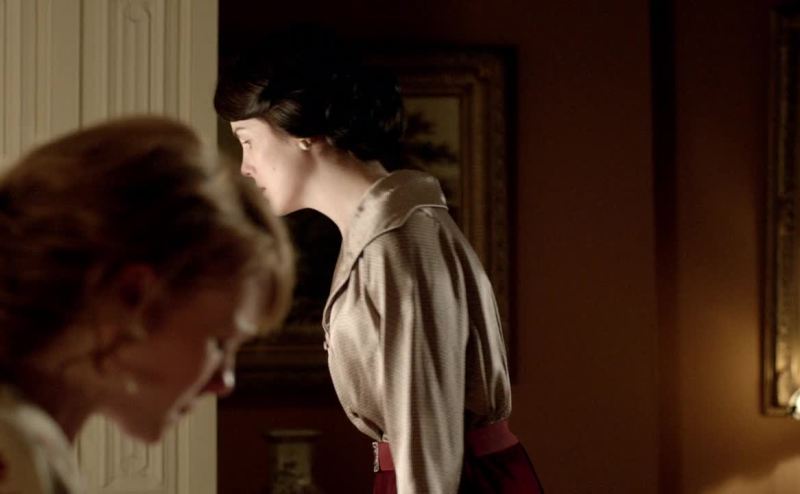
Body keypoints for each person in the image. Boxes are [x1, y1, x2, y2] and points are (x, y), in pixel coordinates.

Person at [215, 26, 544, 494]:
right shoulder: (385, 234)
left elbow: (426, 428)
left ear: (302, 130)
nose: (244, 166)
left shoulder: (399, 244)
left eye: (247, 140)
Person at [0, 116, 294, 493]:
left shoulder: (29, 444)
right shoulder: (15, 451)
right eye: (219, 342)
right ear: (131, 297)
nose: (224, 382)